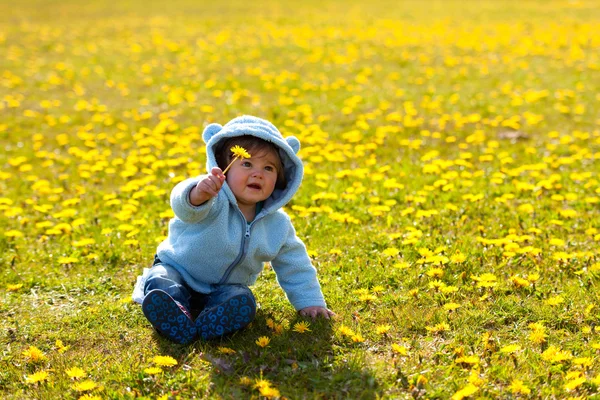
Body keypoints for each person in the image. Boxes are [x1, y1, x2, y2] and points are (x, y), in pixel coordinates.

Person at [132, 115, 334, 344]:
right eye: (246, 163)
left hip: (223, 289)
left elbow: (295, 265)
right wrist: (198, 193)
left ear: (280, 180)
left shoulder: (277, 225)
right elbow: (184, 207)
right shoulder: (212, 198)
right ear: (224, 168)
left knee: (242, 298)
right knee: (162, 280)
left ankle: (211, 319)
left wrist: (310, 302)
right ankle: (172, 309)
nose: (257, 173)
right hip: (180, 271)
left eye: (268, 168)